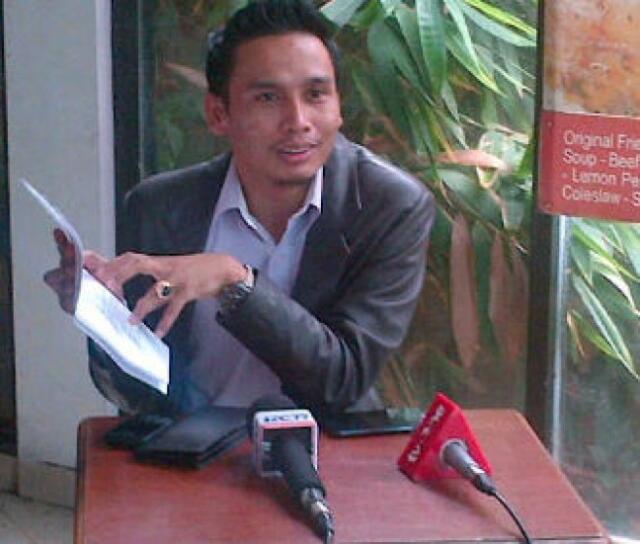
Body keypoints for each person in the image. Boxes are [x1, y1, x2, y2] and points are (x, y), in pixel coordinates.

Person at [45, 0, 436, 418]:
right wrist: (103, 318)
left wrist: (236, 282)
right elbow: (140, 393)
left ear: (339, 106)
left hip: (323, 446)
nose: (298, 121)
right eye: (268, 97)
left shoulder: (390, 206)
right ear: (219, 114)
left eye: (316, 95)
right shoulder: (158, 207)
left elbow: (342, 379)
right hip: (190, 445)